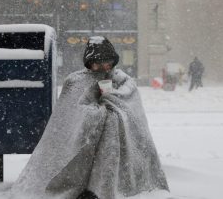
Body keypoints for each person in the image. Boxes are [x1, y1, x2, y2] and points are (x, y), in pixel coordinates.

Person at [11, 36, 169, 199]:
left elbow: (132, 115)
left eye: (107, 62)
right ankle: (88, 185)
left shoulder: (124, 82)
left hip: (117, 146)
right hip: (84, 144)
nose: (103, 67)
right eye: (97, 63)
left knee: (112, 124)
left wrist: (110, 103)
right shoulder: (75, 81)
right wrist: (97, 112)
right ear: (89, 63)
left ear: (114, 61)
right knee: (107, 124)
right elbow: (70, 116)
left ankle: (105, 185)